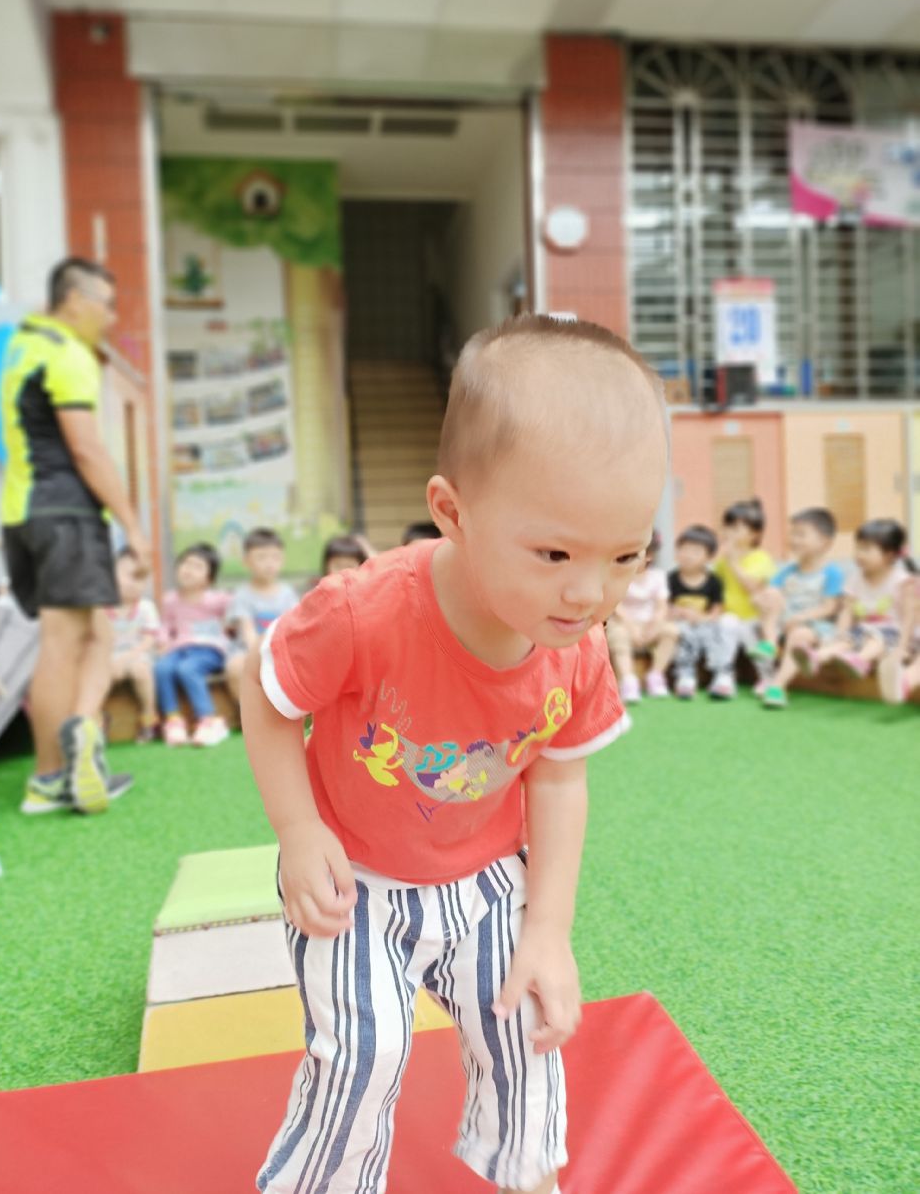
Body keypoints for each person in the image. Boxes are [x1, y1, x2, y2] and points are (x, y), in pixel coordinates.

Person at [240, 314, 668, 1194]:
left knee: (526, 1026)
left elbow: (560, 777)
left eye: (627, 555)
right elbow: (267, 690)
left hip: (485, 882)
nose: (590, 591)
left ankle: (527, 1174)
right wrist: (298, 829)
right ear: (452, 511)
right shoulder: (363, 612)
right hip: (357, 881)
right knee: (364, 1054)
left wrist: (547, 929)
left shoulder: (576, 645)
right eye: (554, 552)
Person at [0, 256, 151, 816]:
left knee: (98, 636)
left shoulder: (23, 346)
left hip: (24, 512)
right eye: (106, 305)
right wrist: (132, 525)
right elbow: (87, 449)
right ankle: (49, 778)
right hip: (65, 513)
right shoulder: (66, 353)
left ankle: (81, 735)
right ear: (74, 301)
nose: (111, 317)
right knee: (63, 643)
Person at [753, 508, 845, 709]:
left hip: (813, 626)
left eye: (801, 535)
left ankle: (778, 686)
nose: (794, 540)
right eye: (793, 534)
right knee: (770, 596)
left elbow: (829, 608)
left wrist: (802, 617)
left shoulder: (832, 572)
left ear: (825, 542)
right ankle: (770, 643)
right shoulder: (788, 570)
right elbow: (771, 592)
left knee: (799, 634)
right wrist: (762, 598)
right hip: (784, 622)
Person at [802, 519, 911, 680]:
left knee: (875, 639)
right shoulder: (855, 579)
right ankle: (817, 657)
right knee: (846, 640)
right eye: (858, 548)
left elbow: (910, 618)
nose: (859, 554)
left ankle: (859, 660)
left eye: (866, 549)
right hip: (863, 630)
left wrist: (904, 646)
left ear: (889, 555)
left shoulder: (902, 581)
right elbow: (847, 611)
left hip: (893, 634)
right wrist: (839, 635)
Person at [156, 543, 231, 747]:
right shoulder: (170, 600)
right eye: (185, 564)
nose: (188, 569)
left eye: (197, 566)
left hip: (209, 650)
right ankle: (173, 719)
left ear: (209, 577)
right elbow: (165, 625)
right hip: (179, 648)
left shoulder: (218, 600)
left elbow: (233, 616)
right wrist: (162, 641)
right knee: (162, 668)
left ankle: (208, 719)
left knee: (187, 669)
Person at [226, 528, 299, 703]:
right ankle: (248, 711)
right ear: (246, 561)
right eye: (261, 557)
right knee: (234, 667)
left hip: (281, 649)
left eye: (275, 557)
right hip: (249, 650)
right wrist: (262, 656)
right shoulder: (242, 595)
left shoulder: (287, 594)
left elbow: (294, 627)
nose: (269, 563)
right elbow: (247, 631)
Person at [605, 530, 678, 702]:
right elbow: (616, 606)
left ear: (649, 556)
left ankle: (656, 675)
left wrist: (654, 626)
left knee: (671, 631)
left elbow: (661, 607)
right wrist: (631, 628)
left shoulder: (658, 576)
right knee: (617, 635)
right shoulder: (618, 575)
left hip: (648, 624)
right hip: (623, 623)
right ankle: (628, 680)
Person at [666, 525, 733, 699]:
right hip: (680, 624)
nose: (688, 555)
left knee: (714, 633)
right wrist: (679, 613)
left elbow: (717, 610)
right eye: (684, 549)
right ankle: (685, 676)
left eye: (695, 552)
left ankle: (722, 675)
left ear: (709, 557)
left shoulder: (713, 581)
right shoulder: (670, 579)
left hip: (704, 623)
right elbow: (665, 606)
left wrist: (702, 618)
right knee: (684, 634)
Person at [715, 498, 775, 681]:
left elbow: (752, 587)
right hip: (730, 617)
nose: (729, 532)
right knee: (727, 623)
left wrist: (734, 563)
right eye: (728, 526)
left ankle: (767, 678)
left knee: (753, 640)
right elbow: (717, 588)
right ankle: (724, 675)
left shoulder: (761, 558)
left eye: (736, 528)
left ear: (754, 534)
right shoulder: (722, 561)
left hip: (754, 618)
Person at [107, 545, 160, 741]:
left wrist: (126, 658)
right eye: (130, 576)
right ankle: (97, 717)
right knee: (99, 675)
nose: (135, 583)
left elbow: (149, 640)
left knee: (140, 671)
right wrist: (111, 661)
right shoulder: (102, 608)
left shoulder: (146, 607)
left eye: (141, 578)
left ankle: (149, 714)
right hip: (109, 655)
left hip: (138, 654)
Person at [878, 569, 920, 704]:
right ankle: (902, 682)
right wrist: (902, 646)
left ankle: (904, 682)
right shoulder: (911, 584)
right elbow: (908, 618)